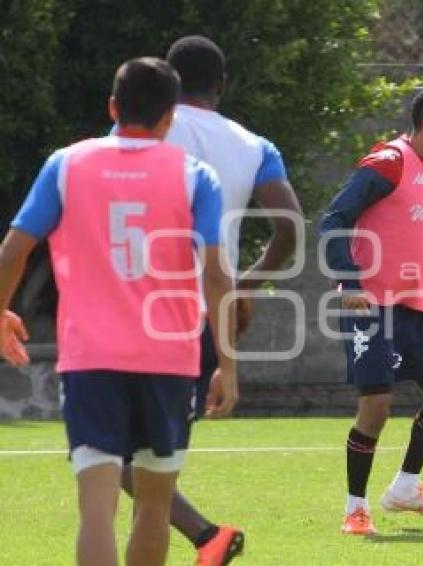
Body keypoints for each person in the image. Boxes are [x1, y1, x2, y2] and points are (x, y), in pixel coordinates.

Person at [0, 57, 236, 565]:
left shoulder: (67, 164)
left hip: (91, 360)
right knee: (153, 507)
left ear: (112, 106)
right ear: (170, 117)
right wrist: (228, 365)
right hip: (170, 361)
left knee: (96, 509)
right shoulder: (196, 177)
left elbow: (13, 251)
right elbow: (217, 275)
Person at [114, 35, 302, 566]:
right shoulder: (254, 145)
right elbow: (288, 226)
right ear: (222, 85)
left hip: (139, 308)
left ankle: (206, 535)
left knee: (110, 457)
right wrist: (246, 284)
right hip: (202, 321)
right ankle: (205, 539)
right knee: (151, 460)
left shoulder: (144, 131)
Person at [319, 86, 423, 535]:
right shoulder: (389, 162)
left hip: (413, 308)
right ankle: (354, 510)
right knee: (377, 407)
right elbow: (333, 218)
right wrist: (348, 280)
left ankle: (405, 487)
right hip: (370, 305)